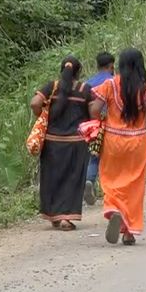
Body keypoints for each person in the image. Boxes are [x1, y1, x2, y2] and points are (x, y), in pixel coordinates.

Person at [90, 48, 146, 245]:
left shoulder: (110, 85)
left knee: (111, 179)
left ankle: (113, 209)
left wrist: (100, 122)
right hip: (137, 142)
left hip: (113, 141)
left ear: (120, 65)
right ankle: (128, 231)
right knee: (134, 186)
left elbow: (95, 109)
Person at [30, 56, 94, 231]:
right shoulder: (84, 89)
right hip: (76, 142)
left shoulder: (52, 87)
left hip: (52, 142)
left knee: (52, 178)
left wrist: (43, 116)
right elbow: (94, 111)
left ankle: (54, 216)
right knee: (73, 179)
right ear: (78, 71)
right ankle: (66, 218)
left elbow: (35, 103)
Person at [83, 52, 115, 206]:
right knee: (111, 159)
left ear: (97, 66)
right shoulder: (114, 82)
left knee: (93, 156)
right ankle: (110, 192)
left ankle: (89, 181)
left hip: (93, 125)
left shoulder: (88, 84)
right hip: (112, 125)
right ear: (111, 66)